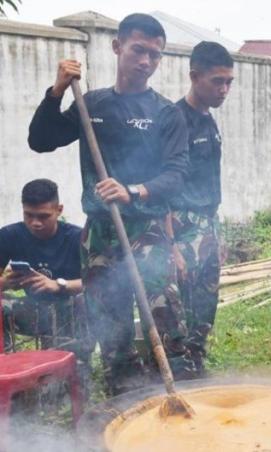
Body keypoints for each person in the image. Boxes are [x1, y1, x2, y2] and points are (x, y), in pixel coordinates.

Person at [27, 13, 192, 395]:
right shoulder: (93, 104)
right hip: (100, 234)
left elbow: (176, 176)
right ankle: (126, 403)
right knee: (111, 329)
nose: (146, 62)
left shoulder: (166, 113)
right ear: (117, 47)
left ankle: (175, 398)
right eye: (138, 50)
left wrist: (134, 190)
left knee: (164, 320)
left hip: (147, 233)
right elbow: (41, 139)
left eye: (155, 55)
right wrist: (56, 91)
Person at [168, 41, 234, 377]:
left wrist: (216, 234)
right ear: (194, 76)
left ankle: (197, 362)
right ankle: (178, 371)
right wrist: (170, 244)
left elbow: (209, 182)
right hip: (180, 224)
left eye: (228, 83)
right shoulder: (176, 120)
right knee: (181, 302)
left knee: (206, 299)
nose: (224, 90)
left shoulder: (209, 120)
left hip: (207, 221)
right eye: (217, 82)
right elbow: (164, 185)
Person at [0, 180, 87, 357]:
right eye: (28, 215)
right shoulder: (9, 235)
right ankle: (6, 365)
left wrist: (59, 285)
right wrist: (6, 282)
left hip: (70, 310)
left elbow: (99, 282)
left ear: (59, 210)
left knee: (86, 300)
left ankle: (78, 365)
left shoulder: (77, 237)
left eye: (43, 216)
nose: (35, 223)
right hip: (31, 310)